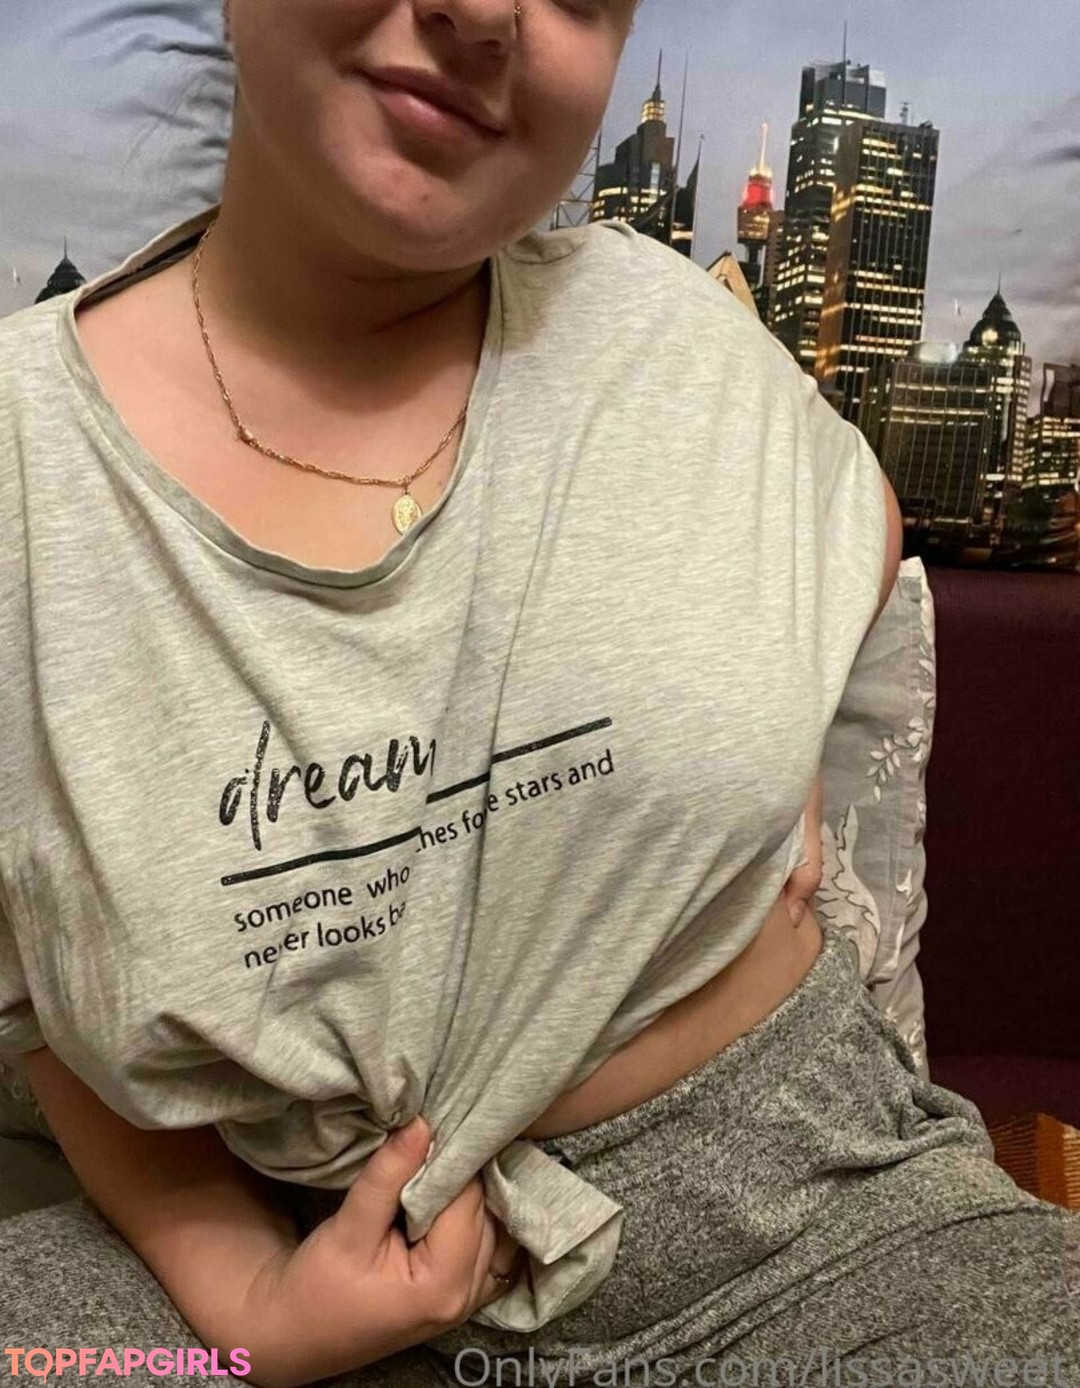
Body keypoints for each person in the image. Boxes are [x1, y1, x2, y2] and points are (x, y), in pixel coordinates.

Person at [1, 2, 1078, 1386]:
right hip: (270, 1262)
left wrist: (766, 755)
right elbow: (43, 992)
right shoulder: (25, 456)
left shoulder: (662, 327)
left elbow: (850, 516)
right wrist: (249, 1306)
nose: (484, 11)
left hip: (818, 1222)